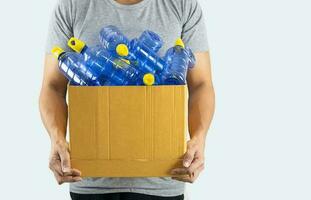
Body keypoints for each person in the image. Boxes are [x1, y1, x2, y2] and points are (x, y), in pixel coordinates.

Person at [39, 0, 215, 199]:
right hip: (89, 179)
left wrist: (199, 139)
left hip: (163, 179)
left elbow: (201, 84)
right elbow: (52, 87)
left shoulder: (182, 5)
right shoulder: (72, 5)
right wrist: (56, 139)